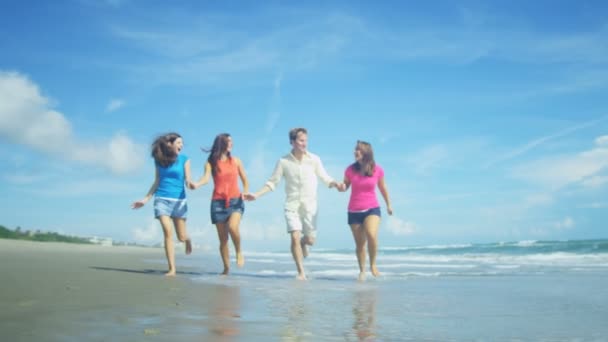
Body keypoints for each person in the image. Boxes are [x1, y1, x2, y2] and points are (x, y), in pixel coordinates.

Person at [244, 127, 339, 280]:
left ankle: (304, 242)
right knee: (294, 236)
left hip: (310, 205)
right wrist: (256, 194)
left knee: (310, 240)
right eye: (301, 140)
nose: (304, 143)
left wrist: (335, 184)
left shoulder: (314, 159)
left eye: (306, 140)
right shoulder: (283, 162)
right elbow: (272, 182)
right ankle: (301, 272)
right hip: (292, 204)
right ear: (292, 142)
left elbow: (324, 177)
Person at [131, 132, 193, 277]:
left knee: (181, 237)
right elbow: (157, 181)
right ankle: (172, 269)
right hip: (162, 199)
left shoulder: (185, 159)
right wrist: (145, 199)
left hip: (179, 201)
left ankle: (187, 239)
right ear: (169, 144)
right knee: (167, 231)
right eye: (178, 142)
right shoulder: (159, 161)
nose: (181, 145)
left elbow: (188, 180)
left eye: (182, 143)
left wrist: (191, 184)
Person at [191, 133, 249, 275]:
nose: (231, 144)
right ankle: (226, 268)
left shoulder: (236, 161)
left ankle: (239, 251)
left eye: (231, 141)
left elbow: (245, 181)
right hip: (217, 203)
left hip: (235, 201)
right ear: (221, 143)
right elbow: (205, 179)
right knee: (223, 239)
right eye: (228, 141)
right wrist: (197, 184)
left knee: (233, 228)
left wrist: (245, 192)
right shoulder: (211, 162)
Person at [338, 140, 392, 281]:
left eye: (359, 150)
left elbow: (383, 188)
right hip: (354, 211)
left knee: (371, 234)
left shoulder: (377, 169)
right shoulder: (350, 169)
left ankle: (373, 264)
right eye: (355, 149)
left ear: (366, 153)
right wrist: (341, 186)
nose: (356, 152)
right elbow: (346, 185)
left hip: (372, 208)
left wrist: (388, 204)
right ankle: (362, 271)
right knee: (360, 244)